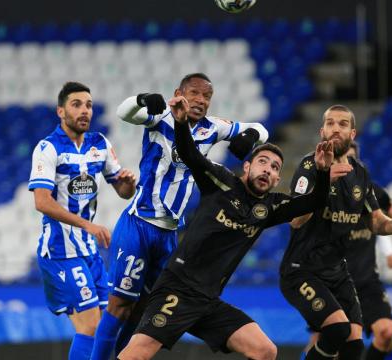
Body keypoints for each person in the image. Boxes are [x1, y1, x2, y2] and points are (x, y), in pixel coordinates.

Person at [118, 95, 344, 360]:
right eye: (262, 162)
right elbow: (190, 154)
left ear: (277, 179)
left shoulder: (271, 208)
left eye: (274, 168)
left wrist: (322, 171)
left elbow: (314, 201)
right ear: (246, 167)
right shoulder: (221, 182)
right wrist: (180, 124)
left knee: (265, 351)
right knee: (136, 355)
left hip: (208, 301)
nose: (267, 170)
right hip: (177, 290)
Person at [91, 73, 269, 359]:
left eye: (206, 96)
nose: (200, 100)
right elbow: (124, 112)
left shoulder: (213, 128)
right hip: (138, 225)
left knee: (148, 307)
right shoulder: (160, 116)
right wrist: (141, 99)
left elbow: (261, 130)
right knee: (120, 304)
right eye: (194, 93)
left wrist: (249, 137)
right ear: (179, 93)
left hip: (170, 234)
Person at [280, 105, 392, 360]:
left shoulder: (360, 174)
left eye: (342, 124)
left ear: (352, 134)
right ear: (322, 131)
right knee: (336, 330)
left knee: (353, 346)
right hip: (302, 270)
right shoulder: (309, 166)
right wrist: (323, 180)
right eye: (330, 123)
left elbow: (375, 222)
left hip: (338, 271)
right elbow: (295, 220)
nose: (335, 128)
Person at [29, 82, 137, 360]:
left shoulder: (99, 144)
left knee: (106, 326)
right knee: (89, 326)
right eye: (76, 104)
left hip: (89, 251)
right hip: (60, 253)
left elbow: (122, 192)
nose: (84, 110)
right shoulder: (48, 148)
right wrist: (87, 225)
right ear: (61, 111)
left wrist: (128, 184)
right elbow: (41, 201)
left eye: (88, 105)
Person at [300, 141, 392, 360]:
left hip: (365, 283)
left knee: (386, 333)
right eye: (340, 161)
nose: (346, 166)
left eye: (350, 160)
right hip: (332, 283)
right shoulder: (323, 193)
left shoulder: (372, 193)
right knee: (322, 342)